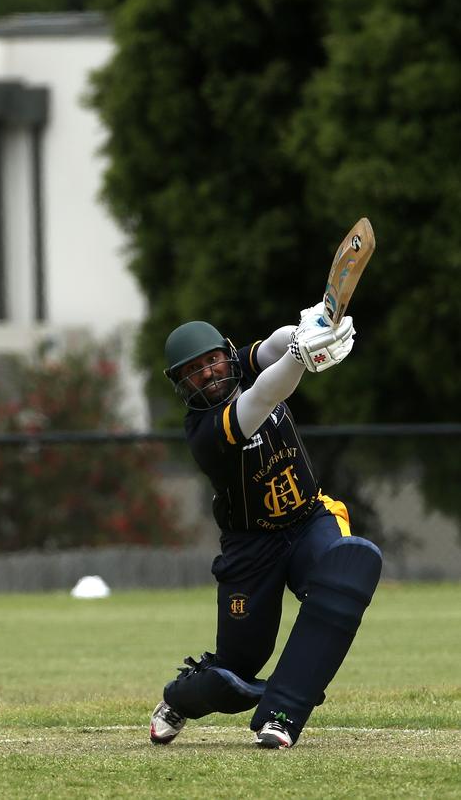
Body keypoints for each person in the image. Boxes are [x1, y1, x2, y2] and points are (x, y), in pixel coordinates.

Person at [149, 305, 382, 749]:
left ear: (227, 354)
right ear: (181, 384)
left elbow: (273, 346)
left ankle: (281, 714)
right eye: (193, 371)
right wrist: (299, 354)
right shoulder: (205, 432)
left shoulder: (237, 360)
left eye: (212, 360)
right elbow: (264, 395)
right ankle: (178, 698)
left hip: (308, 520)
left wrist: (311, 326)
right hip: (251, 548)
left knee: (342, 575)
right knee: (232, 675)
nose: (208, 373)